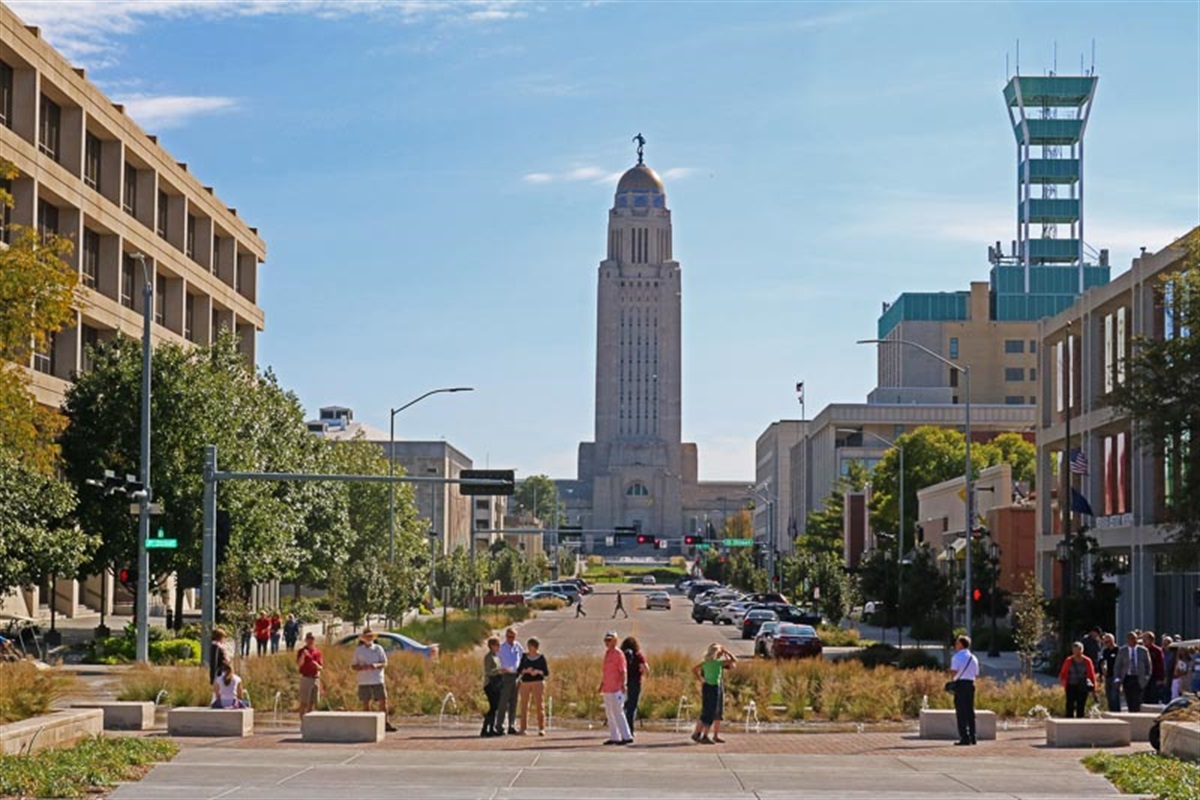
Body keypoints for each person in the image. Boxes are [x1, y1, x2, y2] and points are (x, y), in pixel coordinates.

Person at [351, 629, 397, 732]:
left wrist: (376, 665)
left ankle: (385, 722)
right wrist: (362, 667)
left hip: (377, 679)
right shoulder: (359, 650)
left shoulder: (378, 648)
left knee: (383, 701)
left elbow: (385, 663)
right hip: (364, 680)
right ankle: (368, 724)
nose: (369, 639)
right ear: (363, 638)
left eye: (370, 637)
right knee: (366, 702)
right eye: (367, 637)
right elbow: (353, 665)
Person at [691, 642, 736, 745]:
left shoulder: (705, 663)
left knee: (706, 710)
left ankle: (697, 733)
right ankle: (705, 735)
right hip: (714, 687)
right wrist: (726, 652)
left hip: (706, 686)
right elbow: (734, 660)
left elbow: (694, 669)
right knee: (711, 712)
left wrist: (701, 679)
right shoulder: (718, 663)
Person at [599, 631, 633, 745]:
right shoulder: (607, 653)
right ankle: (614, 736)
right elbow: (606, 671)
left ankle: (626, 736)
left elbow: (623, 671)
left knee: (618, 712)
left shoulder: (619, 654)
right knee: (609, 713)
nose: (607, 642)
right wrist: (602, 684)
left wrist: (624, 684)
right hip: (607, 688)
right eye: (606, 640)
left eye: (609, 640)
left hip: (616, 688)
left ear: (615, 641)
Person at [948, 634, 979, 746]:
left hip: (960, 685)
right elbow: (976, 673)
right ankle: (973, 736)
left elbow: (953, 672)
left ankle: (964, 737)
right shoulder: (973, 658)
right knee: (970, 711)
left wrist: (952, 676)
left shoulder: (956, 657)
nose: (955, 645)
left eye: (956, 643)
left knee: (961, 711)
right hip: (971, 684)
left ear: (961, 644)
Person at [517, 637, 550, 736]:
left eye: (532, 646)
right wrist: (526, 671)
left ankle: (541, 728)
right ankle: (523, 728)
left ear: (536, 647)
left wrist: (537, 672)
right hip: (525, 682)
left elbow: (546, 672)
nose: (530, 648)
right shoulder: (524, 657)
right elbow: (519, 670)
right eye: (529, 646)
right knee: (524, 706)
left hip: (538, 682)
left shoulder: (541, 657)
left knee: (540, 705)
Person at [1113, 631, 1151, 712]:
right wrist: (1117, 678)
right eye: (1130, 639)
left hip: (1139, 678)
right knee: (1129, 698)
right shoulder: (1122, 651)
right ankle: (1131, 713)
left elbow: (1148, 666)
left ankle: (1137, 714)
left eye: (1134, 638)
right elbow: (1117, 666)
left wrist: (1146, 677)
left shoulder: (1143, 650)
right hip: (1127, 677)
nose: (1133, 640)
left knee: (1137, 699)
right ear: (1127, 640)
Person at [1059, 641, 1098, 719]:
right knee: (1070, 705)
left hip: (1082, 686)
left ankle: (1079, 722)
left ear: (1082, 650)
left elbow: (1091, 674)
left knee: (1081, 705)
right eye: (1075, 650)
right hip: (1071, 685)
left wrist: (1094, 688)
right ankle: (1069, 722)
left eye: (1078, 650)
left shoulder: (1087, 661)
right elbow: (1063, 673)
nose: (1076, 652)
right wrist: (1063, 683)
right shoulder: (1069, 660)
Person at [496, 628, 524, 735]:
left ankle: (511, 725)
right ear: (506, 636)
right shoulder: (502, 648)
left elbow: (521, 659)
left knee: (514, 701)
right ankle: (499, 725)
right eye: (509, 637)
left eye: (513, 636)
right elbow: (497, 661)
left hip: (516, 676)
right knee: (503, 702)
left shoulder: (518, 646)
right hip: (505, 676)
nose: (511, 639)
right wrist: (501, 670)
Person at [621, 636, 648, 735]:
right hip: (635, 682)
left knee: (622, 707)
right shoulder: (638, 655)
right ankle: (630, 730)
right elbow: (645, 668)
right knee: (632, 706)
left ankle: (622, 729)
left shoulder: (621, 655)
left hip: (622, 682)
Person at [296, 632, 323, 717]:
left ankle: (309, 719)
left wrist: (316, 665)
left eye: (312, 639)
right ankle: (302, 720)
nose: (310, 641)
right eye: (308, 639)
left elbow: (321, 667)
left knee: (313, 702)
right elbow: (299, 664)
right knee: (304, 702)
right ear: (306, 640)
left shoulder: (317, 652)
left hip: (315, 678)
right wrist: (303, 656)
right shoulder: (302, 651)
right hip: (306, 678)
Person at [482, 636, 503, 737]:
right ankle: (485, 728)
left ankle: (490, 728)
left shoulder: (496, 656)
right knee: (493, 706)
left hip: (497, 684)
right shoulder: (489, 657)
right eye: (497, 645)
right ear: (492, 646)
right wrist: (499, 671)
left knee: (495, 707)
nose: (499, 647)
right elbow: (488, 671)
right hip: (490, 684)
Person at [1099, 632, 1121, 712]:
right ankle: (1111, 711)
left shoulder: (1118, 650)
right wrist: (1102, 670)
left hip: (1116, 676)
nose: (1106, 644)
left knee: (1114, 696)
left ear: (1112, 641)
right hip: (1108, 676)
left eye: (1107, 642)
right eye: (1104, 642)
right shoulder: (1105, 651)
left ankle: (1117, 712)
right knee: (1108, 695)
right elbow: (1102, 661)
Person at [1142, 630, 1165, 703]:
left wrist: (1160, 678)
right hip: (1143, 676)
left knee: (1153, 696)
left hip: (1153, 677)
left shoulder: (1157, 650)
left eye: (1145, 638)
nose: (1144, 640)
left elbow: (1160, 665)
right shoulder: (1141, 650)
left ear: (1151, 639)